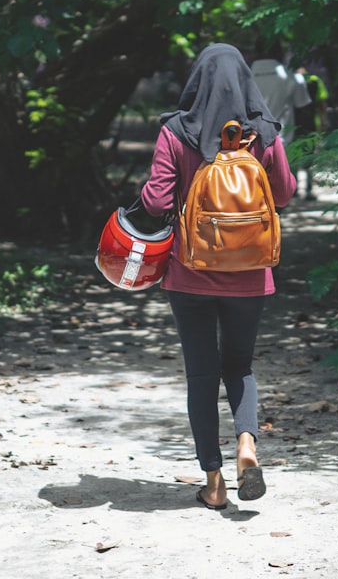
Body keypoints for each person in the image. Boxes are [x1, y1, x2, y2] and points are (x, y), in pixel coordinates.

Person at [141, 43, 297, 511]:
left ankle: (213, 480)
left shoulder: (176, 131)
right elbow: (285, 195)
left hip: (189, 274)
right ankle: (246, 445)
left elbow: (155, 202)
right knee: (241, 366)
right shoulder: (263, 133)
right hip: (250, 275)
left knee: (202, 374)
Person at [250, 49, 313, 197]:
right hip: (283, 140)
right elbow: (302, 105)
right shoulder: (292, 77)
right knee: (280, 194)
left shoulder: (242, 77)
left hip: (249, 144)